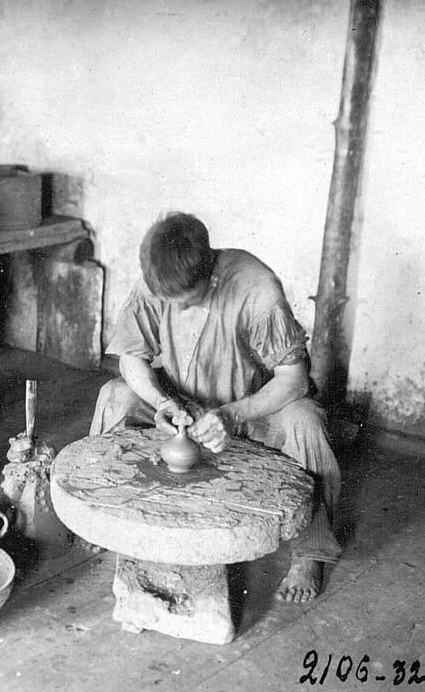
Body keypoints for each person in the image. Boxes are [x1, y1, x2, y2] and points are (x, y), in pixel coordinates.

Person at [90, 212, 341, 603]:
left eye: (186, 302)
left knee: (305, 421)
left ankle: (310, 551)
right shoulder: (158, 279)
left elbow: (293, 378)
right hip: (183, 402)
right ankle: (104, 514)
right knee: (116, 394)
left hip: (252, 408)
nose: (177, 308)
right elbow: (131, 356)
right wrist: (161, 401)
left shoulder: (256, 288)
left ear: (211, 275)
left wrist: (233, 414)